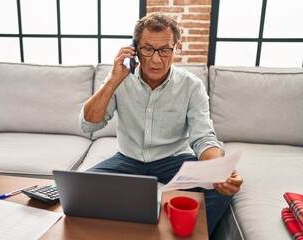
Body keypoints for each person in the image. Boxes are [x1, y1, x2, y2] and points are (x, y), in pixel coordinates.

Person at [79, 12, 243, 235]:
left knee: (220, 190)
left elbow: (203, 137)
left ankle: (194, 236)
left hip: (174, 160)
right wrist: (113, 80)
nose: (156, 59)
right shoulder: (119, 78)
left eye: (165, 49)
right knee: (80, 189)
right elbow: (89, 125)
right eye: (148, 49)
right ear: (135, 49)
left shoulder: (191, 86)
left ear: (176, 48)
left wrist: (218, 170)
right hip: (128, 159)